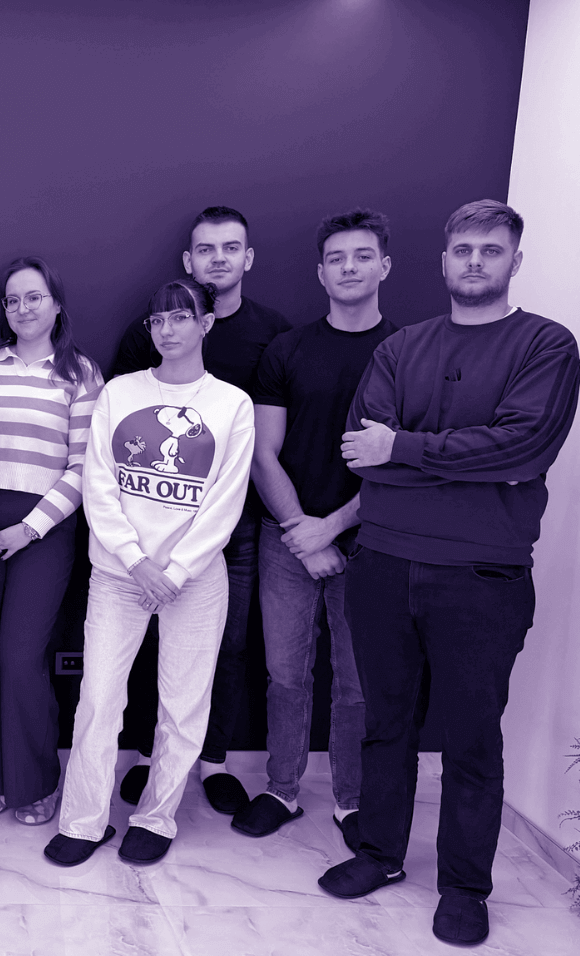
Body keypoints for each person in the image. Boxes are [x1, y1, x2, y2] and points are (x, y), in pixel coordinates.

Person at [319, 200, 580, 947]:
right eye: (462, 249)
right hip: (383, 562)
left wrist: (404, 447)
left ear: (514, 261)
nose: (474, 261)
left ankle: (464, 886)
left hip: (482, 575)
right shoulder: (403, 347)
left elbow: (522, 450)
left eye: (489, 250)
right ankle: (380, 853)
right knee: (386, 722)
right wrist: (457, 458)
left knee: (470, 737)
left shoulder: (546, 345)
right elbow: (361, 452)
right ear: (442, 261)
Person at [48, 277, 255, 867]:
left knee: (183, 705)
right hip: (120, 575)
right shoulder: (120, 392)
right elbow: (99, 485)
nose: (166, 330)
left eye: (180, 317)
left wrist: (177, 570)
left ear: (206, 323)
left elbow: (225, 502)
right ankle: (83, 822)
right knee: (98, 699)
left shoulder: (232, 404)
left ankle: (156, 817)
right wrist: (138, 563)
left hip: (195, 580)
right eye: (157, 320)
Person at [110, 206, 290, 815]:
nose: (218, 259)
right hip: (152, 523)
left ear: (248, 258)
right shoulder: (149, 331)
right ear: (188, 260)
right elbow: (123, 424)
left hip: (233, 525)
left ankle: (212, 761)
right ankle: (147, 754)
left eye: (230, 248)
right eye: (205, 249)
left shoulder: (272, 333)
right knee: (147, 642)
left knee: (228, 646)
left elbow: (270, 435)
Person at [232, 209, 398, 849]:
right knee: (285, 675)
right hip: (287, 540)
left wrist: (332, 527)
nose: (348, 268)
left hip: (372, 539)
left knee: (357, 683)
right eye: (336, 258)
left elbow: (402, 461)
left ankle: (351, 802)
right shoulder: (288, 349)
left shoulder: (406, 352)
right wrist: (302, 530)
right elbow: (262, 452)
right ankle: (282, 789)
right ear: (320, 272)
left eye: (362, 256)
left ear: (384, 266)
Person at [0, 257, 103, 825]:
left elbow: (84, 466)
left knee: (21, 658)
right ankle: (0, 779)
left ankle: (37, 782)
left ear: (57, 303)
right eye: (13, 300)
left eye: (34, 297)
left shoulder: (81, 373)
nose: (23, 308)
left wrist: (30, 527)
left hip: (43, 528)